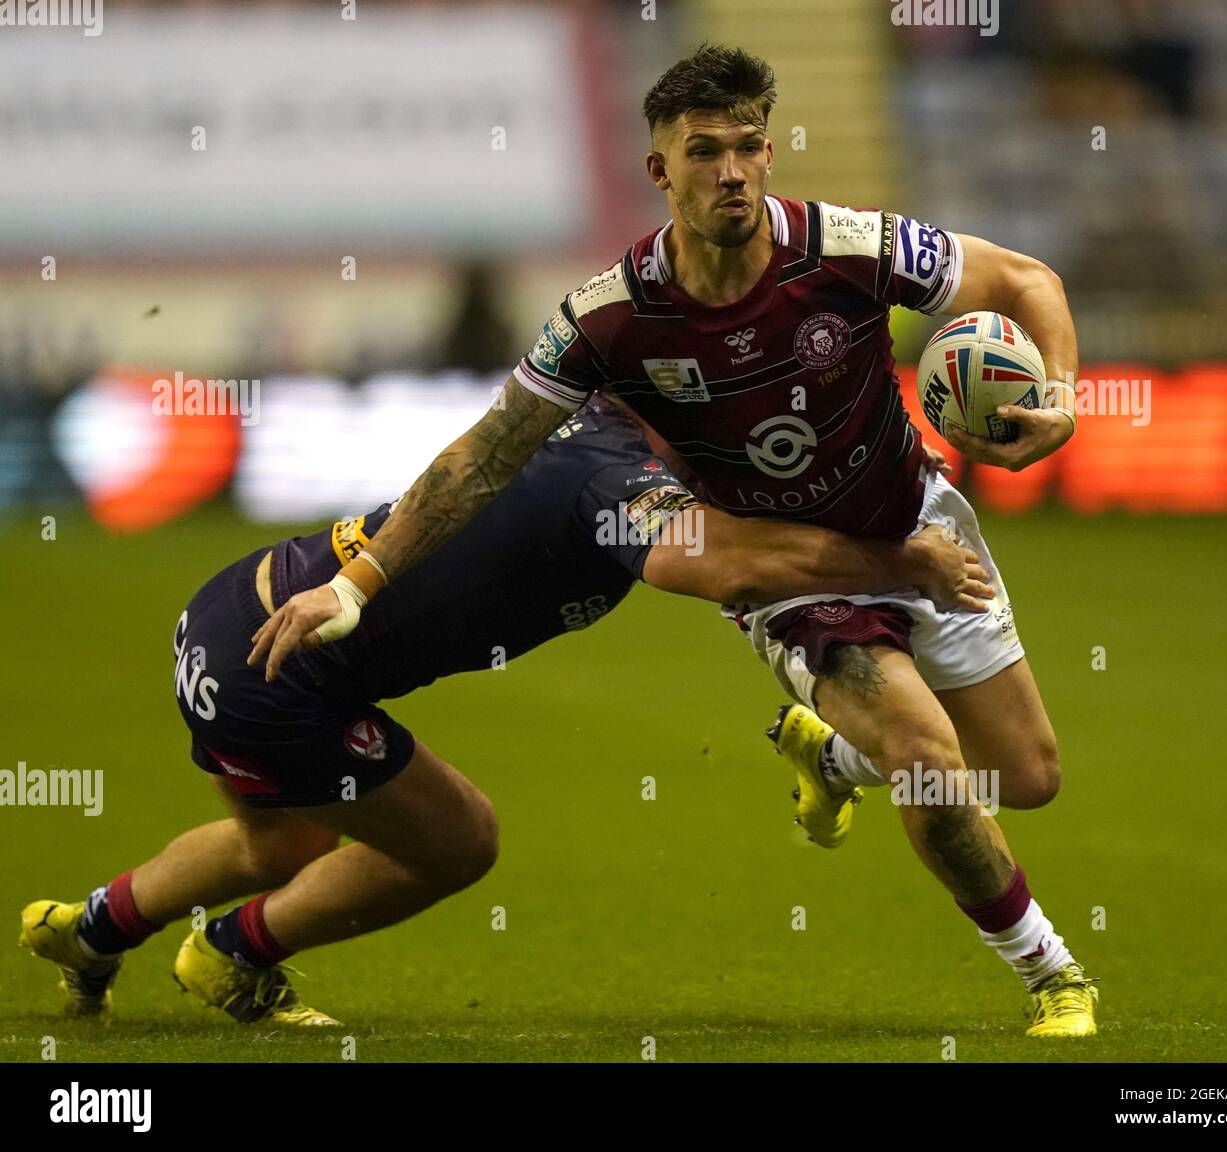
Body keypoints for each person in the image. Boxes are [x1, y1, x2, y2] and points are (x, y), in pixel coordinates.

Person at [244, 44, 1096, 1039]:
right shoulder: (610, 317)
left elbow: (1025, 279)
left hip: (916, 522)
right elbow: (485, 454)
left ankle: (833, 763)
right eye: (703, 151)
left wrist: (1063, 397)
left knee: (1027, 778)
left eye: (746, 148)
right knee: (925, 753)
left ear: (769, 154)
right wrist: (358, 580)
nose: (729, 171)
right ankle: (1052, 975)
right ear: (660, 170)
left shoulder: (849, 247)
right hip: (786, 569)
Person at [19, 394, 988, 1026]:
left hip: (231, 614)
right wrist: (896, 565)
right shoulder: (617, 481)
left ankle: (93, 929)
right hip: (285, 679)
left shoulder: (579, 425)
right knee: (460, 839)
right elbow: (721, 561)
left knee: (278, 847)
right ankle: (235, 951)